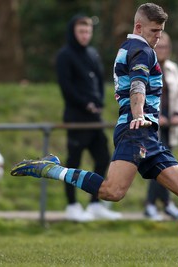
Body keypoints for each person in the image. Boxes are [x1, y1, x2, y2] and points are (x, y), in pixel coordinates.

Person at [11, 3, 178, 263]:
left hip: (148, 136)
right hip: (136, 131)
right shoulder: (141, 50)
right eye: (154, 30)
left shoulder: (130, 48)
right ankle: (52, 169)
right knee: (112, 191)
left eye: (161, 31)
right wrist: (139, 114)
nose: (158, 36)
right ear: (138, 27)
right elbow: (137, 85)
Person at [55, 14, 121, 221]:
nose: (85, 36)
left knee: (103, 158)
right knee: (73, 162)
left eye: (88, 32)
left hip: (95, 119)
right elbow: (67, 87)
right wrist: (86, 104)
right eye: (81, 31)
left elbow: (100, 81)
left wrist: (98, 102)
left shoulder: (93, 53)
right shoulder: (64, 56)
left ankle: (94, 204)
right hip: (76, 118)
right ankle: (72, 205)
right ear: (73, 32)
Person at [144, 32, 178, 221]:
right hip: (152, 126)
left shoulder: (173, 69)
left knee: (167, 166)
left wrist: (177, 114)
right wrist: (155, 116)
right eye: (160, 47)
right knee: (158, 166)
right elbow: (140, 95)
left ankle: (166, 203)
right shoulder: (145, 67)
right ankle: (151, 205)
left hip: (170, 127)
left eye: (166, 47)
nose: (163, 50)